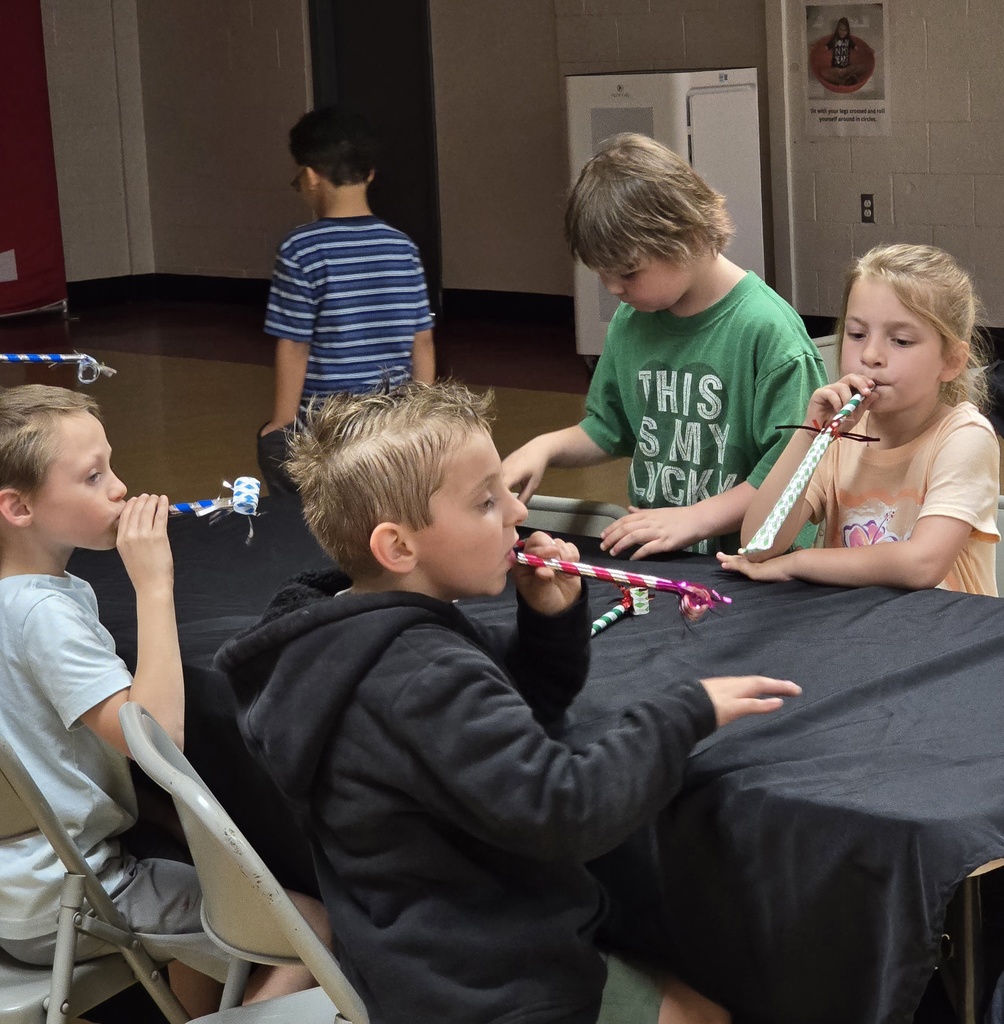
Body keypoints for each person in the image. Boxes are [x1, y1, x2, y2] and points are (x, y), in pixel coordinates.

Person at [215, 380, 802, 1024]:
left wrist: (548, 620)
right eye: (486, 502)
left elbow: (516, 715)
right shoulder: (420, 673)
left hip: (406, 953)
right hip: (487, 984)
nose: (519, 515)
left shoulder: (346, 632)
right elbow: (565, 808)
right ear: (400, 546)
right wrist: (684, 712)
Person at [0, 385, 323, 1014]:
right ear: (17, 506)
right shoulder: (42, 615)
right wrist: (154, 584)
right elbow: (159, 742)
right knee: (316, 925)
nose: (120, 488)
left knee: (197, 888)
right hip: (65, 896)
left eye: (111, 466)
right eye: (93, 477)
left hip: (17, 883)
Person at [502, 133, 827, 559]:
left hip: (755, 567)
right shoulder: (631, 320)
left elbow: (795, 477)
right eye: (602, 274)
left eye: (629, 272)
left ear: (688, 235)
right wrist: (543, 448)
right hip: (665, 558)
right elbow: (607, 429)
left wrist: (694, 518)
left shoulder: (769, 334)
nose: (614, 288)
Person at [717, 244, 1000, 595]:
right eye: (856, 334)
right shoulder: (839, 436)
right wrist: (810, 435)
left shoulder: (964, 436)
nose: (870, 355)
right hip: (857, 630)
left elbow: (922, 564)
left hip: (944, 635)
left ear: (952, 362)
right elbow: (759, 543)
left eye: (900, 340)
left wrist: (798, 563)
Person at [257, 105, 436, 494]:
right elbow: (421, 341)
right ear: (370, 173)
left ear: (309, 176)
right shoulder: (402, 248)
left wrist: (281, 424)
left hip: (328, 434)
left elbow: (295, 345)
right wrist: (421, 420)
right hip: (391, 429)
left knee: (272, 444)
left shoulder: (300, 250)